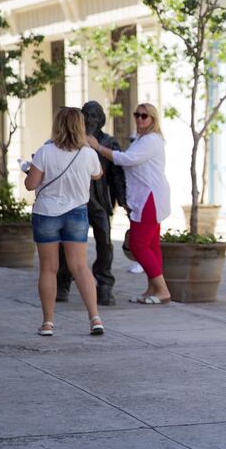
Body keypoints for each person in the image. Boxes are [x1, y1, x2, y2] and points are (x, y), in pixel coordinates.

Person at [24, 107, 104, 336]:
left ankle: (48, 323)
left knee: (49, 268)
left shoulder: (45, 152)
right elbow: (97, 174)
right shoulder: (88, 154)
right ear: (80, 126)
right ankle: (95, 318)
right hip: (77, 213)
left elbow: (31, 184)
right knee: (80, 266)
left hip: (47, 213)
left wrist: (30, 169)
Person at [88, 103, 172, 304]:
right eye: (137, 115)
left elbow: (126, 159)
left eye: (145, 116)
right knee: (151, 245)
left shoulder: (151, 140)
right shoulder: (143, 138)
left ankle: (162, 290)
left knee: (138, 245)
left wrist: (98, 147)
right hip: (145, 196)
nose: (140, 119)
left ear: (153, 119)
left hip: (149, 197)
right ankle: (152, 289)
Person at [56, 101, 127, 306]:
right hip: (75, 202)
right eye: (87, 116)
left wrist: (123, 200)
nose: (91, 121)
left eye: (95, 117)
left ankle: (104, 286)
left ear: (102, 120)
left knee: (105, 243)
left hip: (99, 202)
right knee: (67, 244)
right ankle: (63, 283)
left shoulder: (109, 142)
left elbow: (117, 175)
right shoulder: (72, 140)